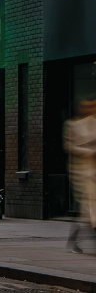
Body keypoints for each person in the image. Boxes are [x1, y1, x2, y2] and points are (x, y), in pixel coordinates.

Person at [67, 97, 96, 253]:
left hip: (94, 169)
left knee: (87, 210)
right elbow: (70, 146)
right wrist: (89, 151)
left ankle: (73, 241)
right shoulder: (73, 125)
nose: (90, 109)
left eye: (93, 106)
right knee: (90, 205)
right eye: (87, 106)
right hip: (81, 171)